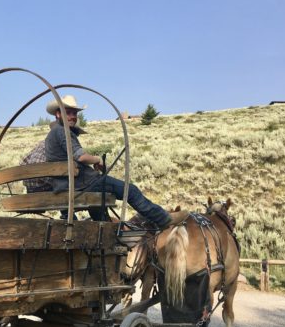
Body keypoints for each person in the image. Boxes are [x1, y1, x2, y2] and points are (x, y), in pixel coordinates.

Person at [44, 95, 185, 228]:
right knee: (130, 190)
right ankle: (165, 220)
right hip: (80, 185)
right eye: (68, 113)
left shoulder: (54, 134)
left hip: (66, 185)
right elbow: (81, 157)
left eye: (74, 113)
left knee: (99, 203)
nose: (72, 117)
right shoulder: (63, 132)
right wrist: (97, 159)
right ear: (58, 114)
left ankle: (105, 232)